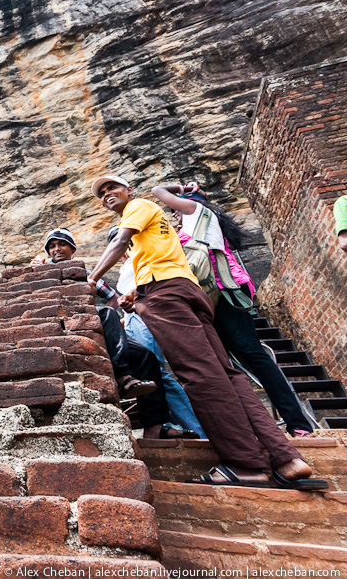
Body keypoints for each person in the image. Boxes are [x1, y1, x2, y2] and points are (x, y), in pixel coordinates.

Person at [86, 174, 324, 489]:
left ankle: (245, 465)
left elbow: (119, 241)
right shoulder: (156, 227)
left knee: (198, 374)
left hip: (164, 295)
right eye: (102, 193)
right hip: (186, 291)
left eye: (112, 187)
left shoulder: (138, 207)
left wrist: (92, 278)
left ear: (128, 190)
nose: (107, 194)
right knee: (229, 375)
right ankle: (288, 459)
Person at [151, 182, 314, 438]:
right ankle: (259, 428)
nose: (174, 213)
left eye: (176, 208)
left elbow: (157, 191)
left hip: (225, 291)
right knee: (227, 363)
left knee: (252, 354)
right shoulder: (192, 225)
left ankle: (298, 423)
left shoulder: (198, 212)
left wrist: (181, 188)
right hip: (208, 298)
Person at [38, 228, 197, 438]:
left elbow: (111, 296)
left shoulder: (85, 273)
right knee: (104, 312)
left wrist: (112, 316)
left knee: (145, 357)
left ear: (72, 249)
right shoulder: (42, 269)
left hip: (90, 324)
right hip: (60, 325)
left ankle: (155, 427)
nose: (56, 249)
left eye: (62, 244)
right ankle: (124, 376)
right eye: (52, 246)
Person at [110, 226, 206, 439]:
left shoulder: (144, 258)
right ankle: (171, 423)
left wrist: (132, 298)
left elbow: (149, 284)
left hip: (145, 314)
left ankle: (200, 429)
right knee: (151, 371)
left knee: (157, 370)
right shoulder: (127, 267)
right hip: (134, 318)